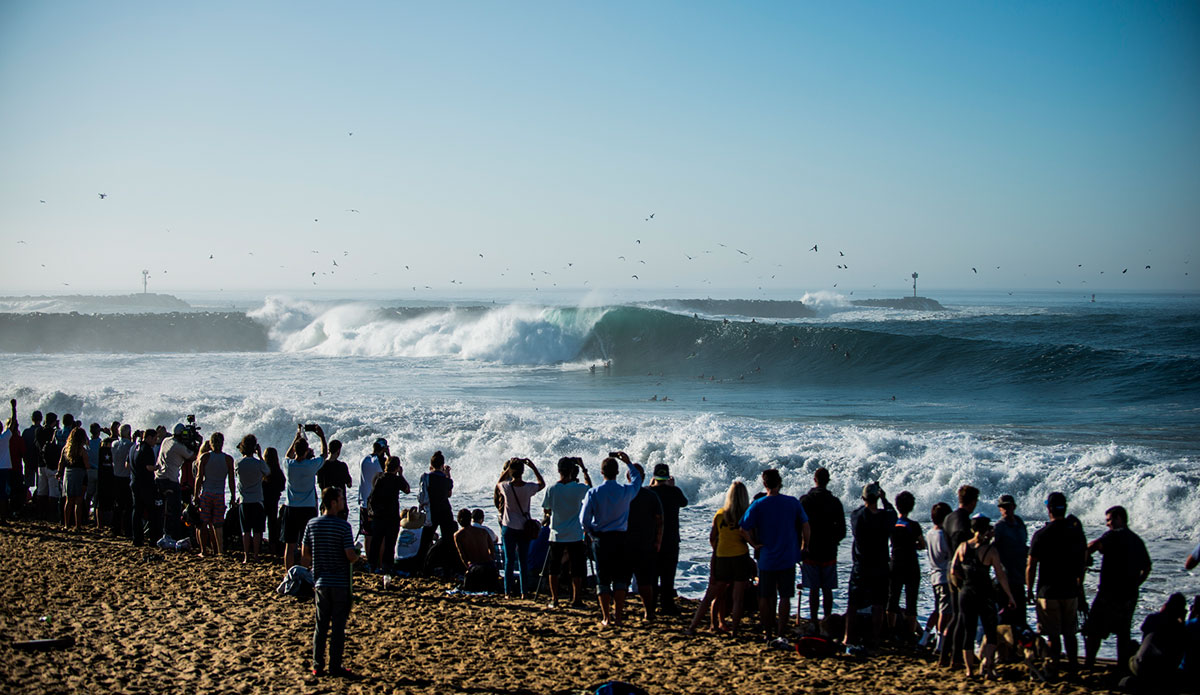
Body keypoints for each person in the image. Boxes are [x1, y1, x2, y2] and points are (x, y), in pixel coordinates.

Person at [739, 468, 810, 641]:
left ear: (764, 484)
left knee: (765, 596)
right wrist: (804, 546)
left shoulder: (758, 504)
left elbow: (743, 528)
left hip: (767, 557)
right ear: (780, 482)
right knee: (784, 596)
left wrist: (754, 544)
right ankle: (781, 631)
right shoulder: (792, 502)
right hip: (787, 556)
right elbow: (805, 525)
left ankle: (768, 631)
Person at [1083, 505, 1152, 672]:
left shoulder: (1113, 536)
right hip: (1129, 595)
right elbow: (1147, 568)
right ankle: (1122, 667)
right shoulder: (1136, 540)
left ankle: (1089, 664)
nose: (1108, 524)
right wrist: (1136, 584)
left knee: (1093, 631)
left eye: (1110, 520)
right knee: (1123, 633)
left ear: (1121, 518)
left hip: (1108, 594)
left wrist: (1084, 559)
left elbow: (1092, 546)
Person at [1026, 491, 1087, 679]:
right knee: (1070, 634)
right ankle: (1074, 667)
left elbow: (1031, 564)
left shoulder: (1042, 534)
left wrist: (1029, 589)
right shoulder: (1075, 533)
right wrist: (1079, 584)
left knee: (1053, 635)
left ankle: (1054, 667)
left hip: (1048, 591)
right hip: (1070, 590)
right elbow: (1082, 562)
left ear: (1049, 509)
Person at [301, 486, 360, 679]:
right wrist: (357, 556)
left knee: (321, 626)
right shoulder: (343, 526)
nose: (343, 502)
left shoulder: (312, 524)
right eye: (341, 499)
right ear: (333, 502)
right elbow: (349, 555)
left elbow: (306, 554)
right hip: (340, 583)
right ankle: (335, 666)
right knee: (338, 628)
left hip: (320, 582)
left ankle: (318, 665)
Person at [580, 452, 644, 626]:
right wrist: (628, 462)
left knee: (603, 578)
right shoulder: (625, 491)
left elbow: (583, 520)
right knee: (620, 579)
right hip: (621, 538)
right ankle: (619, 616)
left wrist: (592, 531)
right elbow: (637, 480)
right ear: (617, 473)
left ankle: (606, 617)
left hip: (602, 538)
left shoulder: (594, 493)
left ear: (602, 472)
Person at [951, 515, 1018, 680]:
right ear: (986, 530)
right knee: (990, 632)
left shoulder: (963, 547)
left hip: (966, 592)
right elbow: (1000, 575)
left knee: (969, 631)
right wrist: (1010, 596)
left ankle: (969, 670)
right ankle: (987, 666)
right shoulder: (990, 550)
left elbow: (953, 570)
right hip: (984, 593)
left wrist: (960, 586)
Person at [686, 480, 754, 636]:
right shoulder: (746, 514)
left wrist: (719, 549)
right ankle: (735, 630)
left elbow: (713, 538)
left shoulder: (720, 514)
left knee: (711, 595)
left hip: (722, 556)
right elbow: (749, 536)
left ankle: (695, 627)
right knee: (738, 598)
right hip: (740, 557)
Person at [844, 481, 897, 645]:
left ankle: (848, 636)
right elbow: (892, 513)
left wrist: (868, 498)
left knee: (853, 603)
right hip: (880, 564)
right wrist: (885, 499)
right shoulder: (885, 517)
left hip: (861, 564)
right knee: (879, 603)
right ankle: (875, 637)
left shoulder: (857, 516)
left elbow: (860, 510)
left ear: (863, 498)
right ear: (877, 497)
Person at [541, 456, 593, 608]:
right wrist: (584, 469)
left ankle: (554, 599)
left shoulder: (551, 489)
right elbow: (590, 488)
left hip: (556, 533)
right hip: (575, 533)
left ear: (558, 471)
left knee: (554, 568)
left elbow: (546, 509)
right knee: (576, 569)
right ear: (572, 471)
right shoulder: (577, 489)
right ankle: (576, 599)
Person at [798, 467, 846, 624]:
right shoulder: (835, 502)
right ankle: (826, 618)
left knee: (813, 589)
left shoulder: (805, 500)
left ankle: (812, 620)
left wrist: (801, 545)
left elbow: (797, 525)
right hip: (829, 550)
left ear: (814, 480)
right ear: (828, 481)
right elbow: (842, 530)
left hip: (810, 549)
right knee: (827, 589)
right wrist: (834, 541)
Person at [939, 484, 979, 668]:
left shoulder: (948, 518)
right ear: (972, 502)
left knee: (956, 616)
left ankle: (944, 656)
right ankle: (955, 658)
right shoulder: (964, 521)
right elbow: (963, 545)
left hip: (949, 568)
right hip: (961, 570)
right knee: (962, 617)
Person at [493, 456, 546, 596]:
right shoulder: (528, 487)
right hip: (523, 528)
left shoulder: (506, 487)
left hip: (508, 526)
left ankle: (507, 592)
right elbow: (542, 484)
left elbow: (499, 482)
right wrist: (533, 467)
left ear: (511, 472)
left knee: (508, 561)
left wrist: (508, 468)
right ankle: (524, 592)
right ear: (522, 472)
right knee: (523, 562)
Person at [284, 424, 328, 570]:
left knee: (290, 545)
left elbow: (287, 455)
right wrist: (322, 437)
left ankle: (287, 573)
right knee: (306, 544)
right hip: (307, 508)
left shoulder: (289, 465)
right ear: (306, 451)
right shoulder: (310, 465)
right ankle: (303, 571)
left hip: (291, 507)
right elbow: (324, 455)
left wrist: (296, 438)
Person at [648, 463, 688, 615]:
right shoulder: (674, 492)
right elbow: (684, 503)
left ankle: (651, 604)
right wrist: (673, 487)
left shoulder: (650, 492)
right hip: (671, 539)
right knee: (668, 574)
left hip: (653, 539)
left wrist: (651, 485)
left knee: (653, 574)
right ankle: (667, 605)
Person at [1126, 593, 1188, 692]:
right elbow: (1179, 653)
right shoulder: (1179, 628)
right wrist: (1183, 621)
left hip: (1139, 666)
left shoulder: (1152, 618)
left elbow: (1144, 639)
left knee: (1134, 646)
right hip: (1161, 673)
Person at [626, 464, 663, 622]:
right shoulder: (650, 495)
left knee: (623, 580)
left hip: (626, 542)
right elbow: (660, 520)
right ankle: (649, 612)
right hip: (644, 542)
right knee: (644, 581)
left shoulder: (623, 493)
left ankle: (618, 612)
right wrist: (658, 540)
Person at [887, 490, 926, 641]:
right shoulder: (913, 525)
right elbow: (922, 545)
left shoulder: (893, 524)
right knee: (911, 601)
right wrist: (913, 545)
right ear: (912, 507)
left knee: (893, 599)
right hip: (911, 564)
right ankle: (910, 636)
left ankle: (891, 631)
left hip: (895, 562)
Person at [154, 423, 199, 541]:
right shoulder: (178, 446)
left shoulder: (166, 441)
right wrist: (198, 443)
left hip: (159, 478)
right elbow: (193, 456)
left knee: (163, 509)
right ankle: (174, 535)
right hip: (171, 480)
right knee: (175, 510)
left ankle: (162, 534)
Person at [194, 432, 236, 557]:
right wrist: (233, 496)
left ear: (211, 443)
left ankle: (203, 551)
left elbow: (199, 477)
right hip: (219, 494)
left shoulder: (205, 457)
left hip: (206, 493)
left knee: (203, 522)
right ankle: (220, 550)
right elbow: (231, 480)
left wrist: (196, 495)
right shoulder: (228, 459)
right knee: (218, 524)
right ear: (222, 443)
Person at [367, 456, 410, 575]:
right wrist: (401, 475)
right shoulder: (396, 480)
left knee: (376, 541)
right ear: (396, 468)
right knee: (390, 544)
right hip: (391, 515)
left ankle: (372, 566)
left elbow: (372, 495)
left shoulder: (379, 477)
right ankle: (387, 567)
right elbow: (407, 489)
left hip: (379, 515)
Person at [992, 494, 1028, 625]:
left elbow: (1023, 545)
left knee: (1021, 621)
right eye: (1003, 507)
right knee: (1006, 622)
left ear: (1014, 507)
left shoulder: (1020, 523)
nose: (1006, 509)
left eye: (1009, 506)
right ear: (999, 509)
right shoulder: (999, 527)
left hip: (1019, 578)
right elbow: (992, 550)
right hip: (1005, 581)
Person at [234, 434, 270, 563]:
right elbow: (267, 472)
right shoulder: (259, 463)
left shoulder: (238, 463)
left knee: (246, 531)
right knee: (257, 531)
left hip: (244, 500)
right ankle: (256, 555)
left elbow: (236, 474)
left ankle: (246, 556)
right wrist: (260, 455)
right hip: (257, 500)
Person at [417, 451, 456, 567]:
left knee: (425, 541)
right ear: (442, 465)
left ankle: (421, 566)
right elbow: (449, 493)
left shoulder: (426, 477)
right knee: (448, 540)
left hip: (431, 511)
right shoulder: (445, 479)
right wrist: (448, 474)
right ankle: (448, 567)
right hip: (444, 510)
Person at [924, 502, 954, 651]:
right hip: (945, 576)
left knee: (938, 609)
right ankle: (940, 644)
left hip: (934, 575)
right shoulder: (944, 535)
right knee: (945, 612)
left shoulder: (929, 533)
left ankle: (925, 638)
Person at [358, 439, 388, 562]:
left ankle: (370, 562)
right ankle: (380, 562)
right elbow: (390, 472)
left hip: (364, 502)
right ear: (384, 449)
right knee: (381, 536)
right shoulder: (381, 461)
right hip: (377, 504)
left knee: (367, 535)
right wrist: (389, 455)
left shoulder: (364, 460)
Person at [454, 508, 499, 591]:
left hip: (475, 569)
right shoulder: (483, 531)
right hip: (490, 568)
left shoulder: (458, 535)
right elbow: (492, 550)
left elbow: (462, 556)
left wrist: (468, 568)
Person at [130, 429, 159, 546]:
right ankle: (153, 539)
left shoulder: (134, 447)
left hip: (134, 482)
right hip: (145, 484)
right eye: (155, 439)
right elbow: (148, 467)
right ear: (149, 438)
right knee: (152, 511)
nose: (156, 442)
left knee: (137, 511)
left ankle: (137, 538)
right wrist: (158, 467)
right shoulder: (147, 449)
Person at [57, 425, 88, 531]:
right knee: (78, 501)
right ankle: (78, 525)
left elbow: (61, 462)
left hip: (68, 474)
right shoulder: (82, 450)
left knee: (68, 500)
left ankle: (66, 524)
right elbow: (87, 465)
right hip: (80, 474)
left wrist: (59, 473)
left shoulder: (66, 449)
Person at [317, 440, 352, 521]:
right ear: (338, 451)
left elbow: (320, 485)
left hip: (326, 505)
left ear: (329, 450)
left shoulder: (321, 466)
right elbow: (349, 484)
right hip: (340, 506)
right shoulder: (342, 466)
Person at [110, 424, 134, 538]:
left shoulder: (114, 444)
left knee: (118, 505)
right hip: (126, 477)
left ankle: (116, 528)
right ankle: (127, 529)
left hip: (116, 476)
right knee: (128, 506)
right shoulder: (130, 445)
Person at [263, 447, 286, 557]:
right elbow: (282, 487)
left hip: (262, 500)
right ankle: (273, 547)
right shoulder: (277, 471)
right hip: (273, 500)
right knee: (272, 523)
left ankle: (259, 546)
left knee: (259, 524)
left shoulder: (263, 470)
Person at [21, 409, 43, 519]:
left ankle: (24, 503)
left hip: (28, 460)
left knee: (27, 484)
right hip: (39, 462)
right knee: (40, 486)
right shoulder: (41, 431)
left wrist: (24, 459)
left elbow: (23, 447)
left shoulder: (26, 432)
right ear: (41, 419)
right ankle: (37, 504)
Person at [0, 401, 14, 524]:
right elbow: (12, 424)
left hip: (3, 468)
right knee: (3, 494)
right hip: (3, 468)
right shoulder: (4, 437)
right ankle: (3, 518)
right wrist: (14, 409)